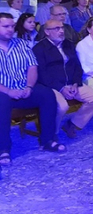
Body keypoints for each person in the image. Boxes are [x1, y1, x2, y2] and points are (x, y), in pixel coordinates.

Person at [0, 13, 64, 165]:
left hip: (23, 88)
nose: (10, 29)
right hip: (3, 91)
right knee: (2, 102)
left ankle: (47, 140)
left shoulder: (21, 44)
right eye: (5, 26)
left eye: (12, 26)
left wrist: (29, 86)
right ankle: (3, 149)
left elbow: (32, 67)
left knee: (47, 94)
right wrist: (9, 91)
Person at [34, 18, 93, 139]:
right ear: (47, 32)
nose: (61, 31)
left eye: (62, 28)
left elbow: (77, 66)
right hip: (52, 86)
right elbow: (42, 74)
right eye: (57, 29)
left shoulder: (68, 44)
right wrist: (61, 88)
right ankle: (52, 133)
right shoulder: (39, 49)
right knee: (62, 106)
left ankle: (72, 124)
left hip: (72, 84)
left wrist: (76, 83)